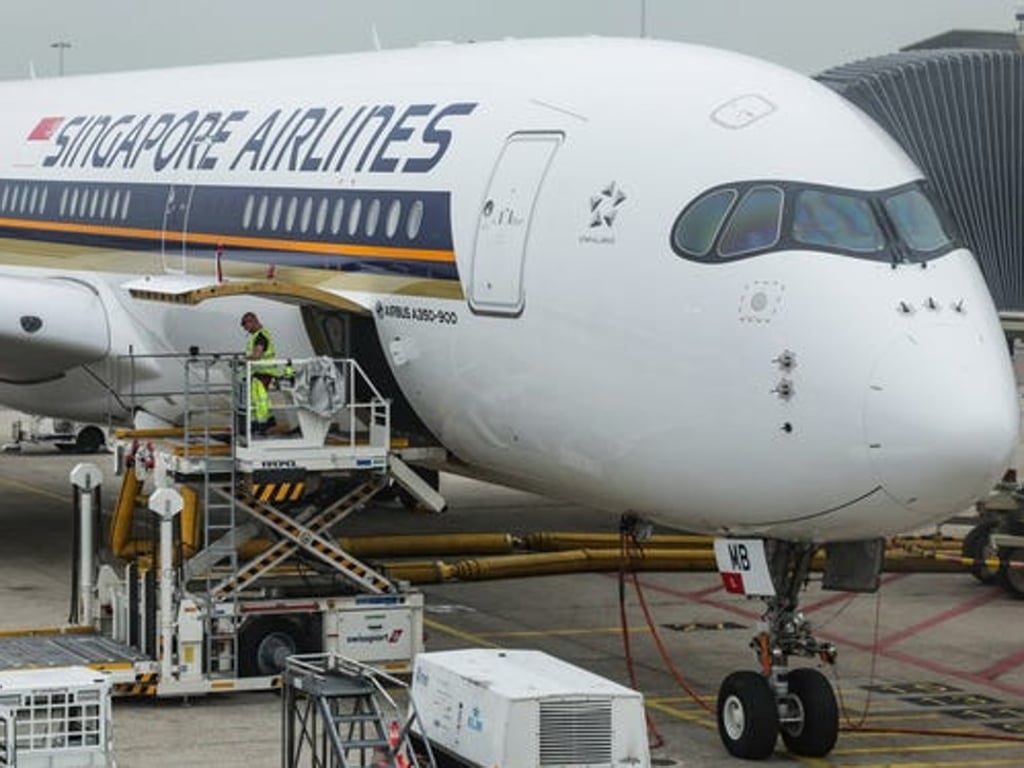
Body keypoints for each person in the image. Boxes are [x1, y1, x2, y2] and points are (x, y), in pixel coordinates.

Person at [240, 311, 281, 434]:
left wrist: (241, 361)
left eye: (244, 324)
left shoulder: (261, 337)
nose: (244, 328)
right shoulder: (258, 335)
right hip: (259, 373)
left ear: (252, 321)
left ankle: (262, 424)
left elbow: (256, 355)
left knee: (259, 400)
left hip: (263, 373)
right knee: (258, 400)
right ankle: (261, 423)